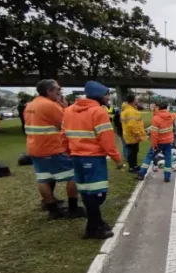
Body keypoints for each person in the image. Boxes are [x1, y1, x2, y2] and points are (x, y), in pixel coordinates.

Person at [61, 81, 123, 239]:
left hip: (77, 158)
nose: (108, 98)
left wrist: (69, 152)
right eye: (107, 95)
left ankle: (97, 223)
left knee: (87, 193)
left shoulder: (68, 111)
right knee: (97, 195)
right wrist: (117, 159)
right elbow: (106, 139)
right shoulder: (98, 112)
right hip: (94, 159)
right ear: (100, 95)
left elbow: (63, 135)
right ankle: (93, 228)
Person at [25, 79, 84, 220]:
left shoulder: (30, 105)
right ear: (49, 91)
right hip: (53, 148)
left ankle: (52, 210)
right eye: (58, 89)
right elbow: (66, 123)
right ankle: (73, 208)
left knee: (43, 178)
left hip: (35, 148)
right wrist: (65, 107)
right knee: (73, 175)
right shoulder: (50, 105)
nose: (60, 92)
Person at [137, 103, 176, 183]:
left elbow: (154, 134)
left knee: (149, 157)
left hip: (159, 142)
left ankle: (141, 174)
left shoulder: (156, 118)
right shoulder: (170, 116)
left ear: (158, 108)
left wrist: (154, 145)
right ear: (166, 107)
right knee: (168, 158)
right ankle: (167, 177)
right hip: (168, 142)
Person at [120, 94, 147, 173]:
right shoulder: (130, 111)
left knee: (134, 151)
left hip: (129, 134)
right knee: (132, 152)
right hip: (132, 135)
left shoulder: (128, 110)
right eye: (136, 100)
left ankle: (134, 165)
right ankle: (132, 167)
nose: (137, 101)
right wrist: (137, 134)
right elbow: (132, 125)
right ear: (133, 101)